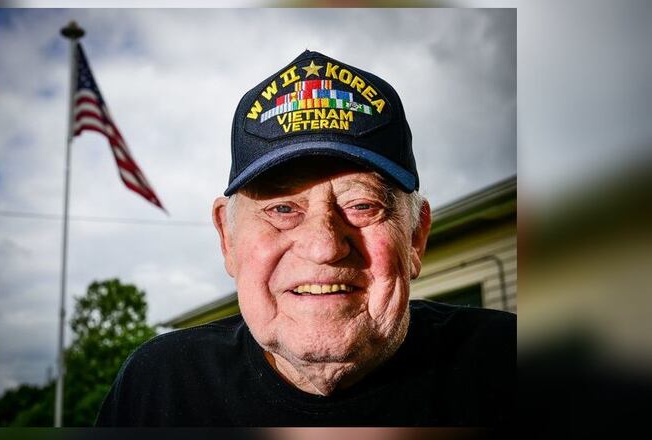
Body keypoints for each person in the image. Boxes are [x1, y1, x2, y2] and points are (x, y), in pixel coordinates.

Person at [95, 50, 515, 426]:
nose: (324, 245)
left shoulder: (507, 366)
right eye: (282, 209)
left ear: (415, 237)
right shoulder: (159, 387)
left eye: (362, 205)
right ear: (227, 238)